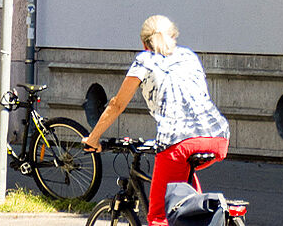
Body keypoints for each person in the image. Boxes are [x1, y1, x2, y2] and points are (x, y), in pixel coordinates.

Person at [82, 15, 231, 226]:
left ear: (143, 44)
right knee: (185, 197)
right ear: (173, 36)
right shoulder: (188, 56)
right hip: (217, 137)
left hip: (179, 142)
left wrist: (93, 138)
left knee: (159, 217)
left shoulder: (144, 60)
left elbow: (117, 104)